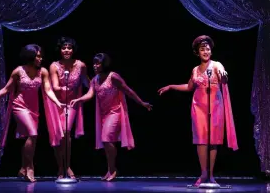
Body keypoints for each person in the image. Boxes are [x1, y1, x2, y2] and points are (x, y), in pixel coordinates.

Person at [158, 35, 238, 186]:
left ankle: (212, 175)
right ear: (197, 52)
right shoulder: (194, 70)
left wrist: (224, 75)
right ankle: (203, 173)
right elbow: (189, 87)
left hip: (215, 106)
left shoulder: (216, 65)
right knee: (201, 140)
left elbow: (223, 74)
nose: (206, 51)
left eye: (208, 49)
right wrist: (171, 86)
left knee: (213, 140)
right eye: (202, 49)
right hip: (198, 107)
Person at [0, 44, 65, 182]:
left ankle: (23, 167)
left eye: (41, 56)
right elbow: (7, 89)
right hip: (19, 106)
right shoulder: (18, 71)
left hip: (34, 109)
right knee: (33, 134)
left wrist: (57, 102)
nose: (40, 58)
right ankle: (30, 168)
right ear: (30, 56)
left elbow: (48, 90)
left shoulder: (43, 71)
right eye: (38, 56)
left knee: (30, 138)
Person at [70, 53, 152, 181]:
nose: (95, 66)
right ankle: (111, 169)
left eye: (98, 63)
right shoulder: (95, 79)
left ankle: (112, 170)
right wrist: (79, 99)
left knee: (107, 139)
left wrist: (142, 103)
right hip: (103, 114)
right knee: (107, 141)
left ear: (104, 64)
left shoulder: (113, 77)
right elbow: (90, 94)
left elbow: (128, 91)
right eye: (94, 63)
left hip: (115, 112)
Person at [44, 37, 89, 179]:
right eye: (64, 48)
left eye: (69, 47)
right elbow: (56, 86)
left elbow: (87, 82)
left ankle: (68, 166)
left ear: (73, 49)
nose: (66, 50)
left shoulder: (81, 65)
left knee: (66, 132)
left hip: (72, 104)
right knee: (58, 136)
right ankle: (61, 167)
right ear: (60, 50)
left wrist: (97, 89)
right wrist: (68, 84)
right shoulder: (54, 66)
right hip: (56, 103)